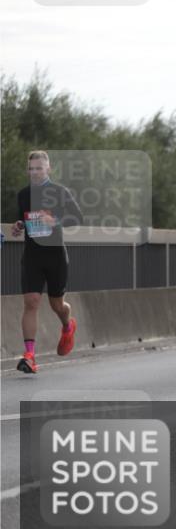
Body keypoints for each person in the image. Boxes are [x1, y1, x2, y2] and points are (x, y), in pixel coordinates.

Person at [11, 150, 82, 374]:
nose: (34, 172)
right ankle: (30, 356)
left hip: (55, 256)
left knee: (57, 305)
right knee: (31, 301)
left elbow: (78, 217)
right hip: (32, 255)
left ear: (48, 169)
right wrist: (18, 226)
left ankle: (68, 325)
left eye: (39, 168)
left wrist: (55, 220)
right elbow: (23, 219)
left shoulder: (60, 191)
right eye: (31, 168)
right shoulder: (23, 194)